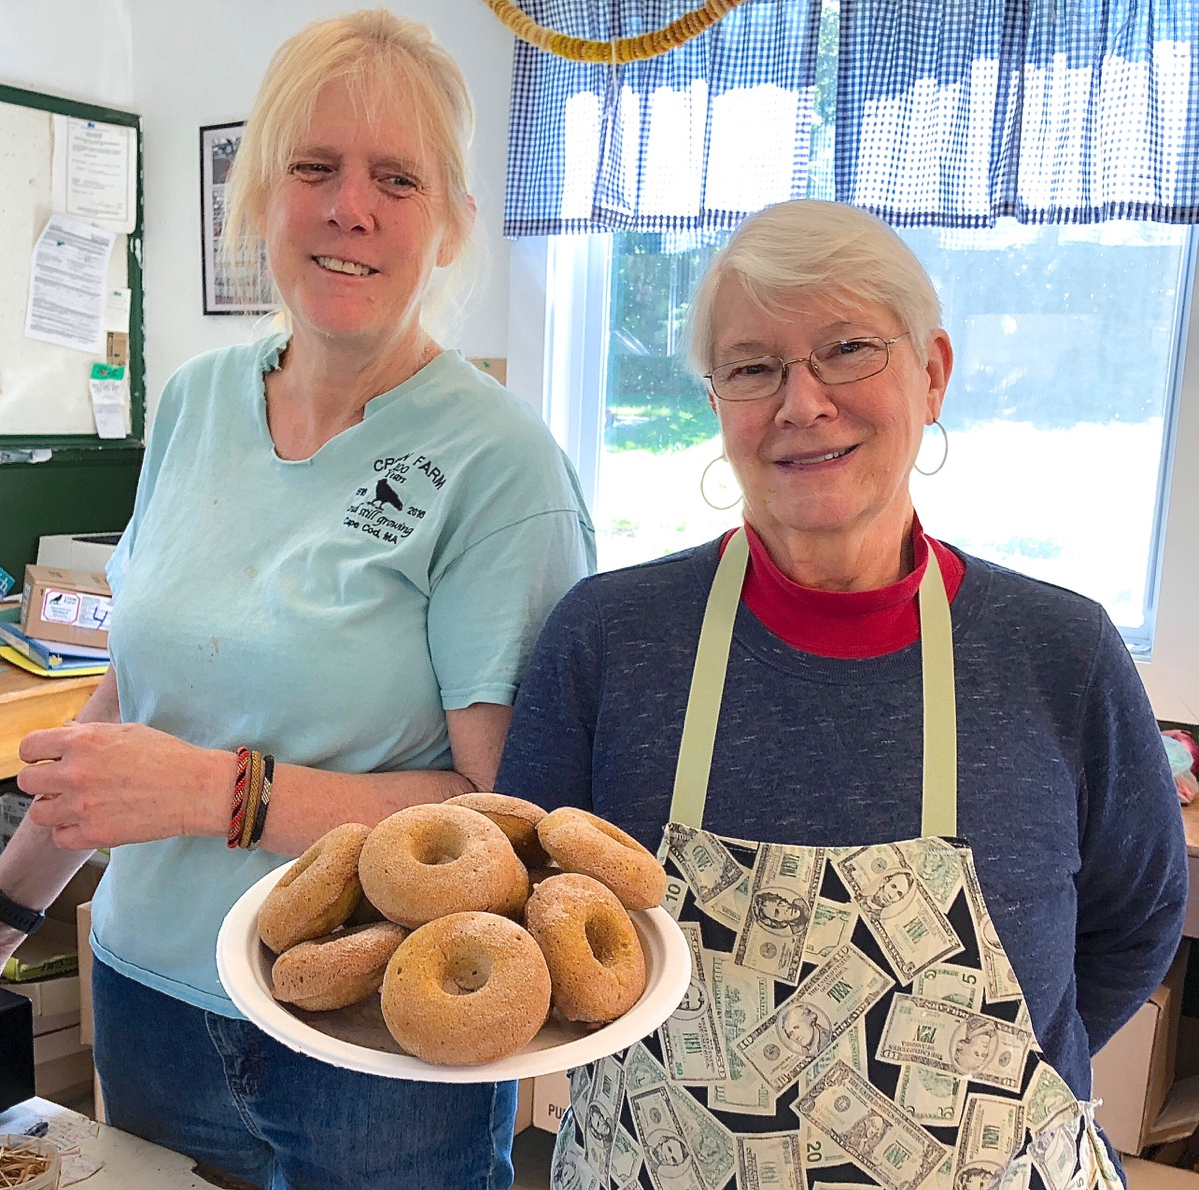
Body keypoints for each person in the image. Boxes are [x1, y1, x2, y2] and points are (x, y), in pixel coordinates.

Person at [0, 12, 594, 1190]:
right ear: (259, 196)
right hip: (145, 994)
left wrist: (224, 792)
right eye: (312, 167)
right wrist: (8, 904)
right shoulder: (196, 399)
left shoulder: (499, 463)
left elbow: (505, 819)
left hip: (373, 1039)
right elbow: (133, 694)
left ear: (452, 223)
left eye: (396, 177)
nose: (348, 207)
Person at [497, 200, 1186, 1188]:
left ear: (934, 371)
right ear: (717, 401)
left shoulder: (1060, 652)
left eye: (848, 348)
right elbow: (533, 915)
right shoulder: (609, 639)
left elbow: (1139, 920)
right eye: (752, 365)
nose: (802, 400)